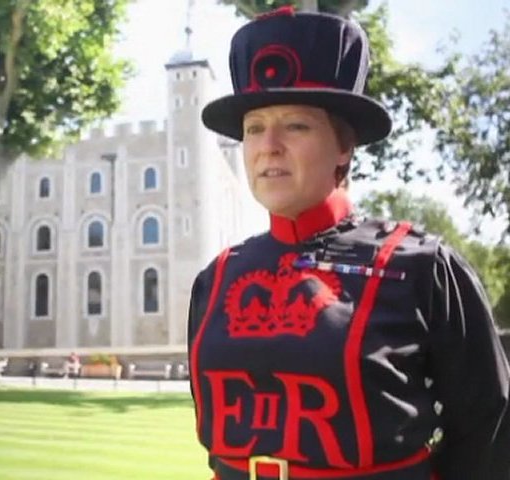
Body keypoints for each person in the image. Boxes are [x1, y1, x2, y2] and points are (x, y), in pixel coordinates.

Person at [187, 7, 510, 480]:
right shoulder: (215, 279)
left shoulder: (422, 268)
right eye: (254, 128)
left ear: (344, 147)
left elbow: (490, 429)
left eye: (295, 125)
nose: (268, 144)